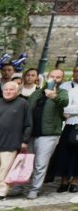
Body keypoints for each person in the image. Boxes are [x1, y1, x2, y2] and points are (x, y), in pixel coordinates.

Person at [0, 80, 32, 201]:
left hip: (11, 142)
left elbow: (28, 124)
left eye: (11, 89)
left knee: (5, 169)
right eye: (6, 89)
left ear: (17, 91)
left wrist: (24, 140)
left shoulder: (23, 103)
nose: (8, 91)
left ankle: (1, 192)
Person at [22, 69, 68, 199]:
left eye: (58, 77)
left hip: (49, 134)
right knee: (26, 161)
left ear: (61, 79)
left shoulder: (62, 92)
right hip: (31, 132)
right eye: (52, 76)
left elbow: (64, 102)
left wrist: (54, 96)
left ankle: (34, 189)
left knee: (40, 163)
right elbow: (28, 110)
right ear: (47, 78)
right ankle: (19, 186)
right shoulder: (37, 93)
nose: (54, 79)